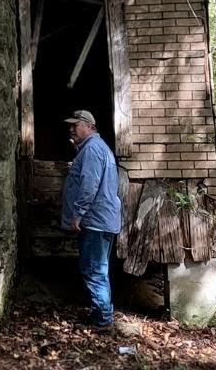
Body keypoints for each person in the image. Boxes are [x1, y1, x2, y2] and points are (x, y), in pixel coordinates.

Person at [60, 109, 122, 329]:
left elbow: (89, 185)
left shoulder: (92, 149)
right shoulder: (92, 148)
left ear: (88, 125)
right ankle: (100, 315)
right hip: (101, 220)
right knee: (97, 268)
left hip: (95, 221)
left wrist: (78, 214)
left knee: (93, 268)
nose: (71, 129)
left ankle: (103, 319)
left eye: (75, 125)